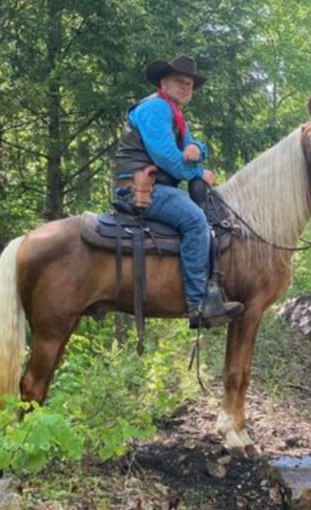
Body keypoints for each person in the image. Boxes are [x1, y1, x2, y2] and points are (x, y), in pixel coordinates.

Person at [113, 56, 243, 327]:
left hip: (156, 187)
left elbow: (194, 145)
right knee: (195, 221)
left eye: (190, 84)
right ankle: (198, 305)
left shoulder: (174, 114)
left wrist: (198, 150)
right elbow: (168, 158)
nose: (186, 87)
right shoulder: (156, 109)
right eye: (179, 82)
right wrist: (198, 172)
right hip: (141, 188)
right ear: (164, 83)